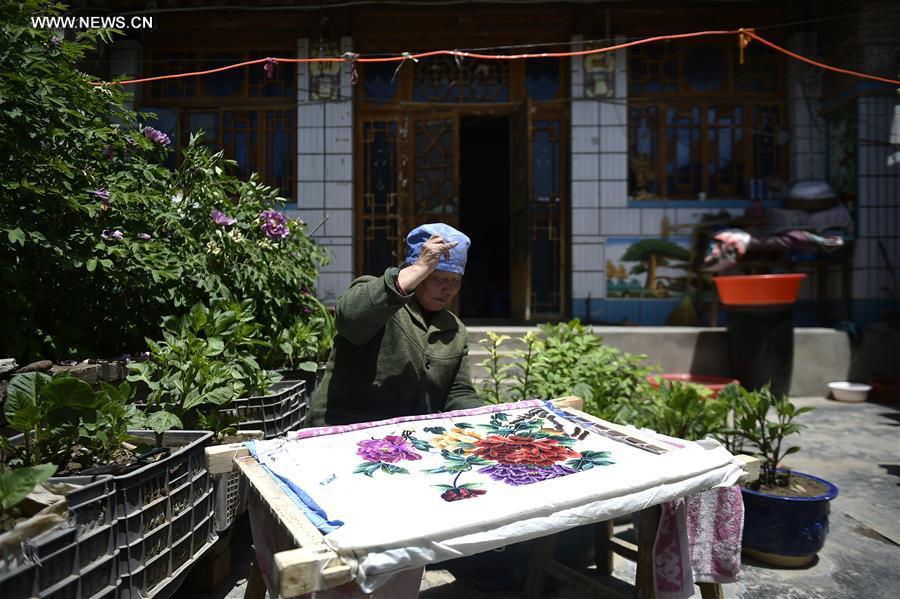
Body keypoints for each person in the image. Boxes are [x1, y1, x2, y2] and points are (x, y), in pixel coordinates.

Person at [308, 222, 483, 427]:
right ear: (417, 273)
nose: (449, 289)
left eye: (455, 281)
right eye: (439, 278)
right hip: (343, 428)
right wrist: (419, 267)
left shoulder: (455, 330)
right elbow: (350, 320)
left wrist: (484, 418)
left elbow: (458, 392)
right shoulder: (381, 298)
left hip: (405, 437)